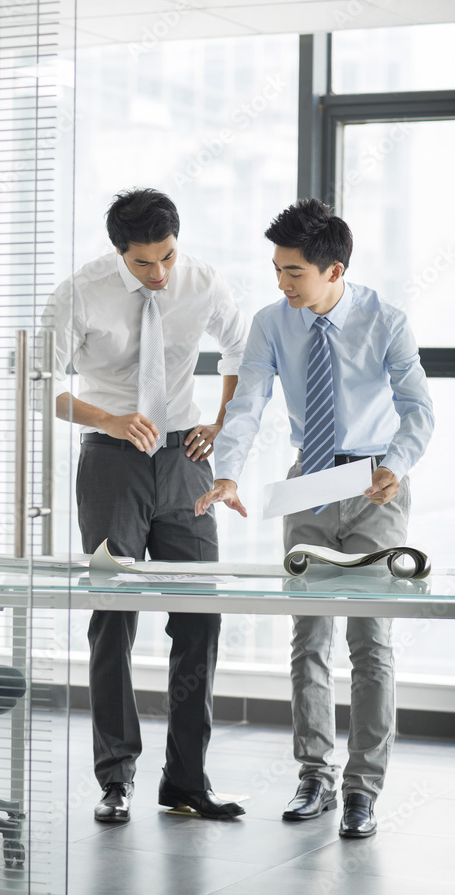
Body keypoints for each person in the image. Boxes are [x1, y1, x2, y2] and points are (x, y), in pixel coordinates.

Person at [195, 198, 434, 838]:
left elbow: (418, 409)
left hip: (375, 485)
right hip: (309, 484)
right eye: (276, 268)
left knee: (371, 644)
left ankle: (363, 788)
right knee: (308, 638)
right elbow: (247, 402)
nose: (281, 282)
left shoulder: (385, 320)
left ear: (333, 270)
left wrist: (398, 464)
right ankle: (314, 776)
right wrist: (227, 472)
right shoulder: (274, 323)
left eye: (293, 271)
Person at [48, 188, 248, 823]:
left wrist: (219, 423)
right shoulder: (80, 291)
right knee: (115, 615)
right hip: (112, 461)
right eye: (143, 262)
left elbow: (245, 352)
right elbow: (39, 385)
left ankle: (186, 779)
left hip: (185, 459)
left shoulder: (202, 281)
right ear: (118, 252)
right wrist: (109, 415)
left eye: (167, 256)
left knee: (201, 615)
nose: (159, 273)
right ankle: (116, 777)